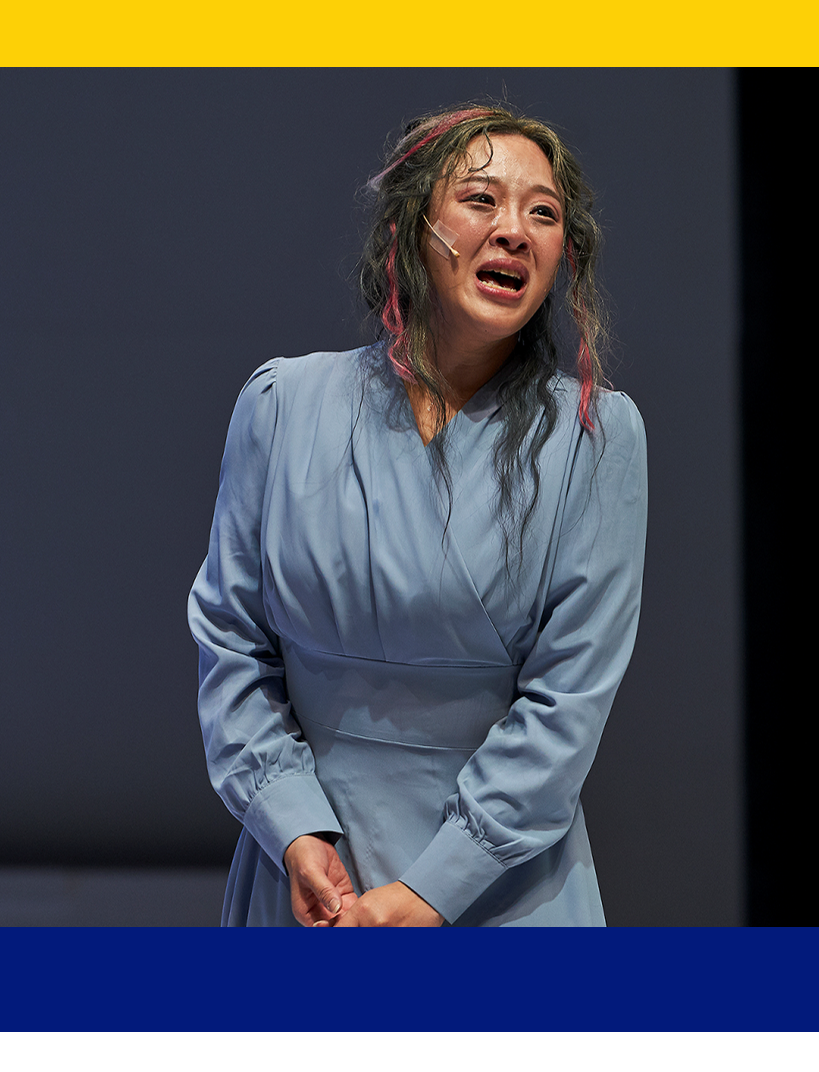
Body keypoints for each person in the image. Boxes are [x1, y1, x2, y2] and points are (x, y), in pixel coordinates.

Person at [188, 104, 648, 926]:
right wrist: (293, 826)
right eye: (482, 199)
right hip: (309, 879)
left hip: (502, 885)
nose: (514, 231)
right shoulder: (283, 406)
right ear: (409, 227)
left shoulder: (594, 436)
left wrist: (433, 888)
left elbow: (568, 701)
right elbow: (231, 641)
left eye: (542, 213)